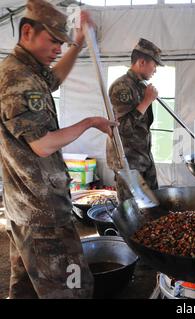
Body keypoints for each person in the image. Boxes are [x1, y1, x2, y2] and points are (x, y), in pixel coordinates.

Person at [0, 0, 115, 298]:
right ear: (27, 32)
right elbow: (42, 144)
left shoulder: (29, 70)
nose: (58, 49)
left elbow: (54, 79)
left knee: (25, 288)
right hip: (42, 212)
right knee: (72, 286)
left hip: (25, 206)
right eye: (53, 41)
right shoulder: (18, 78)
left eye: (61, 43)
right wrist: (89, 122)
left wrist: (77, 44)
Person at [106, 38, 163, 202]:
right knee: (131, 211)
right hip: (128, 161)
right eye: (154, 64)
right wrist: (146, 102)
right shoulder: (121, 87)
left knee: (154, 206)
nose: (155, 70)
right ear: (142, 62)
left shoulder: (141, 86)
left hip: (143, 157)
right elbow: (121, 128)